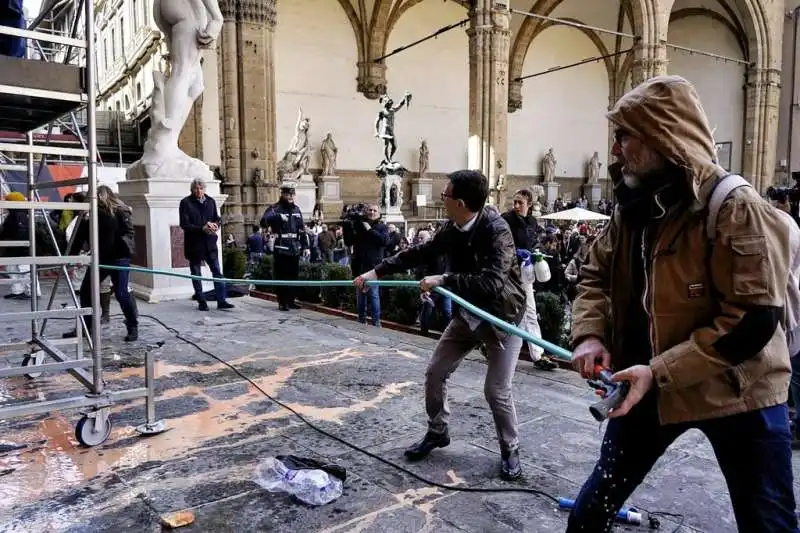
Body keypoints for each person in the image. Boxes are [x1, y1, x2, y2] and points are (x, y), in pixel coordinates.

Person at [568, 75, 798, 531]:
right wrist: (590, 333)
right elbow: (594, 274)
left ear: (661, 138)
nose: (615, 149)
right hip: (647, 385)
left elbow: (753, 321)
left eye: (625, 135)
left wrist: (658, 372)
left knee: (769, 524)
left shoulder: (736, 208)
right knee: (590, 513)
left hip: (739, 392)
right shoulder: (632, 207)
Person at [354, 170, 527, 480]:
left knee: (496, 390)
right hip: (468, 316)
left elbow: (493, 282)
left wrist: (444, 279)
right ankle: (438, 431)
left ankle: (510, 448)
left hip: (503, 318)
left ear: (460, 202)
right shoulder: (454, 226)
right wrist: (375, 273)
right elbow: (422, 251)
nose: (441, 199)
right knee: (435, 372)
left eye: (445, 195)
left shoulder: (496, 229)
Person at [64, 186, 139, 342]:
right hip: (101, 257)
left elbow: (123, 232)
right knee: (86, 291)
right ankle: (87, 327)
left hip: (118, 257)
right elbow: (79, 237)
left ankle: (132, 326)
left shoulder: (118, 212)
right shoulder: (89, 216)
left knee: (121, 292)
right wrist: (70, 257)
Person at [502, 189, 556, 371]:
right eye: (515, 202)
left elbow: (533, 243)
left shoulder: (532, 222)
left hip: (525, 273)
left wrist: (536, 254)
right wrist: (514, 253)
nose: (516, 206)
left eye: (521, 203)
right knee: (506, 313)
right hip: (507, 274)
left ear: (529, 205)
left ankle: (538, 354)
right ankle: (491, 345)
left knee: (530, 313)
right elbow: (499, 243)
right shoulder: (506, 219)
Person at [179, 177, 234, 311]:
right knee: (196, 274)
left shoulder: (210, 201)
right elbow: (184, 224)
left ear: (204, 189)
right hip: (194, 244)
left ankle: (221, 300)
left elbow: (216, 218)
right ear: (192, 190)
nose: (199, 191)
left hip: (210, 243)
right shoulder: (185, 203)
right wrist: (201, 228)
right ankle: (201, 301)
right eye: (196, 188)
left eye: (201, 188)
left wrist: (215, 225)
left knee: (217, 272)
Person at [261, 182, 306, 311]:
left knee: (293, 275)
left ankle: (291, 300)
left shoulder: (297, 210)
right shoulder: (275, 208)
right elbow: (264, 221)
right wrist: (277, 217)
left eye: (292, 194)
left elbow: (301, 229)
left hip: (294, 247)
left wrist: (305, 246)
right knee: (281, 275)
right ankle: (282, 301)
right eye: (288, 194)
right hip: (281, 247)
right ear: (282, 194)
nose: (291, 196)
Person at [343, 204, 389, 326]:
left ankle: (376, 322)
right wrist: (347, 225)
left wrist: (369, 229)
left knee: (373, 294)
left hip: (374, 267)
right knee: (360, 295)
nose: (372, 212)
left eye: (375, 210)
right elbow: (349, 241)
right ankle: (361, 320)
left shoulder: (382, 227)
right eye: (370, 210)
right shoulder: (360, 226)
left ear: (379, 213)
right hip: (359, 265)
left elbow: (383, 241)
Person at [0, 192, 41, 300]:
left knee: (25, 270)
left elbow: (20, 232)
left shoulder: (18, 215)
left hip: (21, 248)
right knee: (14, 269)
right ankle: (19, 291)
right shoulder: (18, 214)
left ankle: (32, 292)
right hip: (16, 247)